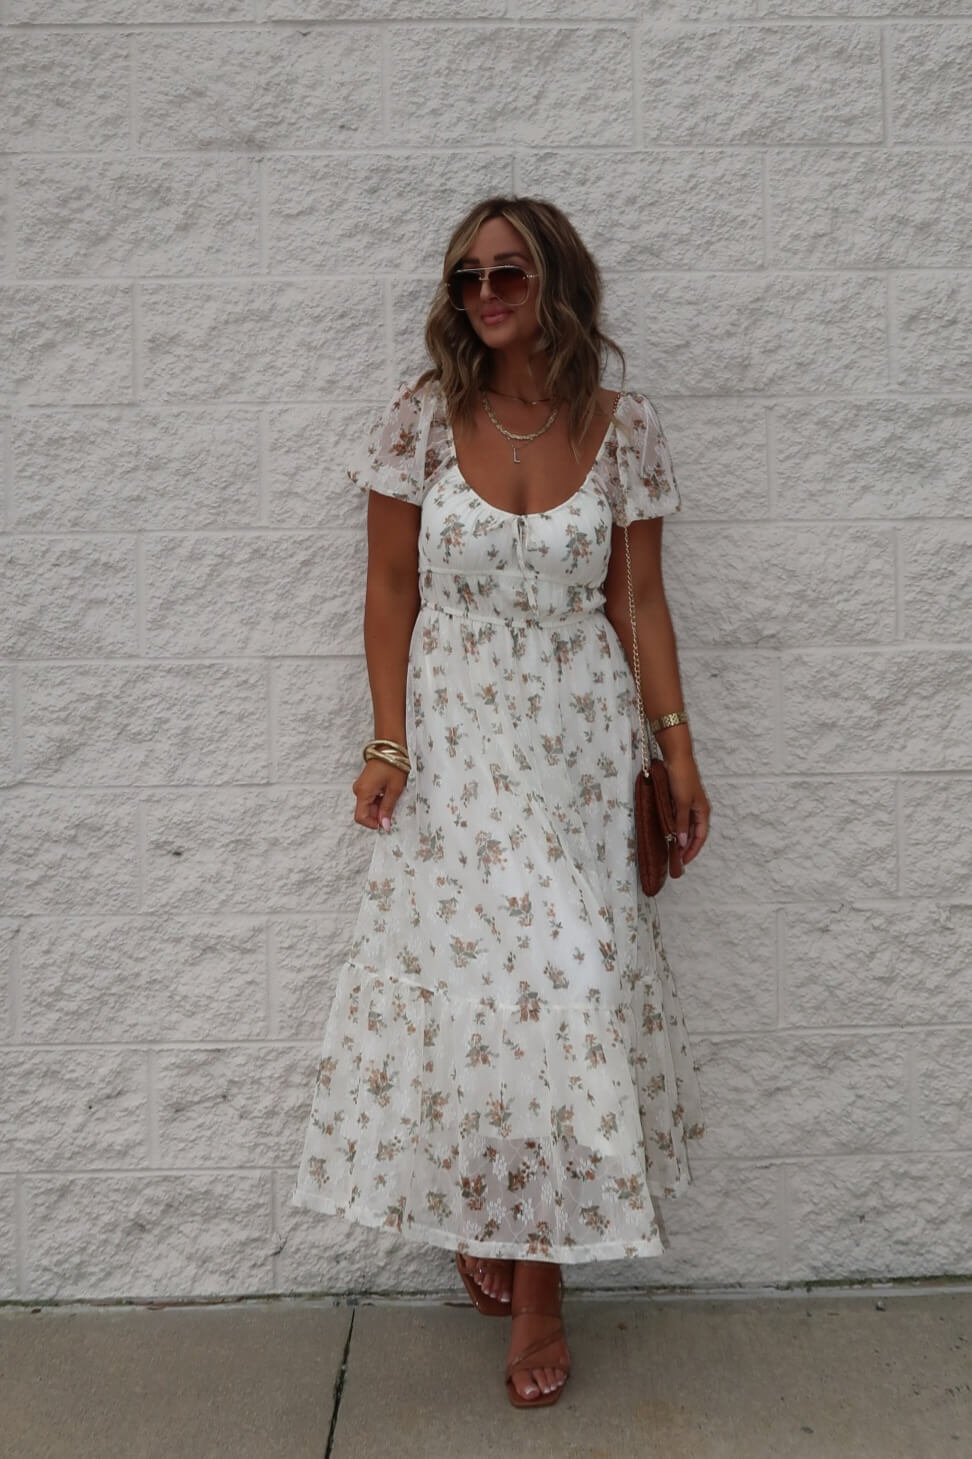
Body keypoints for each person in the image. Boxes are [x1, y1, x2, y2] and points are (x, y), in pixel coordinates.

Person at [291, 195, 710, 1409]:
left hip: (579, 738)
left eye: (509, 272)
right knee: (489, 983)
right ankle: (520, 1251)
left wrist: (676, 752)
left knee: (563, 977)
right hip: (462, 733)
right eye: (468, 276)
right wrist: (387, 740)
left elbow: (639, 603)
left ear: (555, 283)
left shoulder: (619, 428)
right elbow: (385, 588)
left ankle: (522, 1252)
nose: (486, 293)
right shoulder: (421, 422)